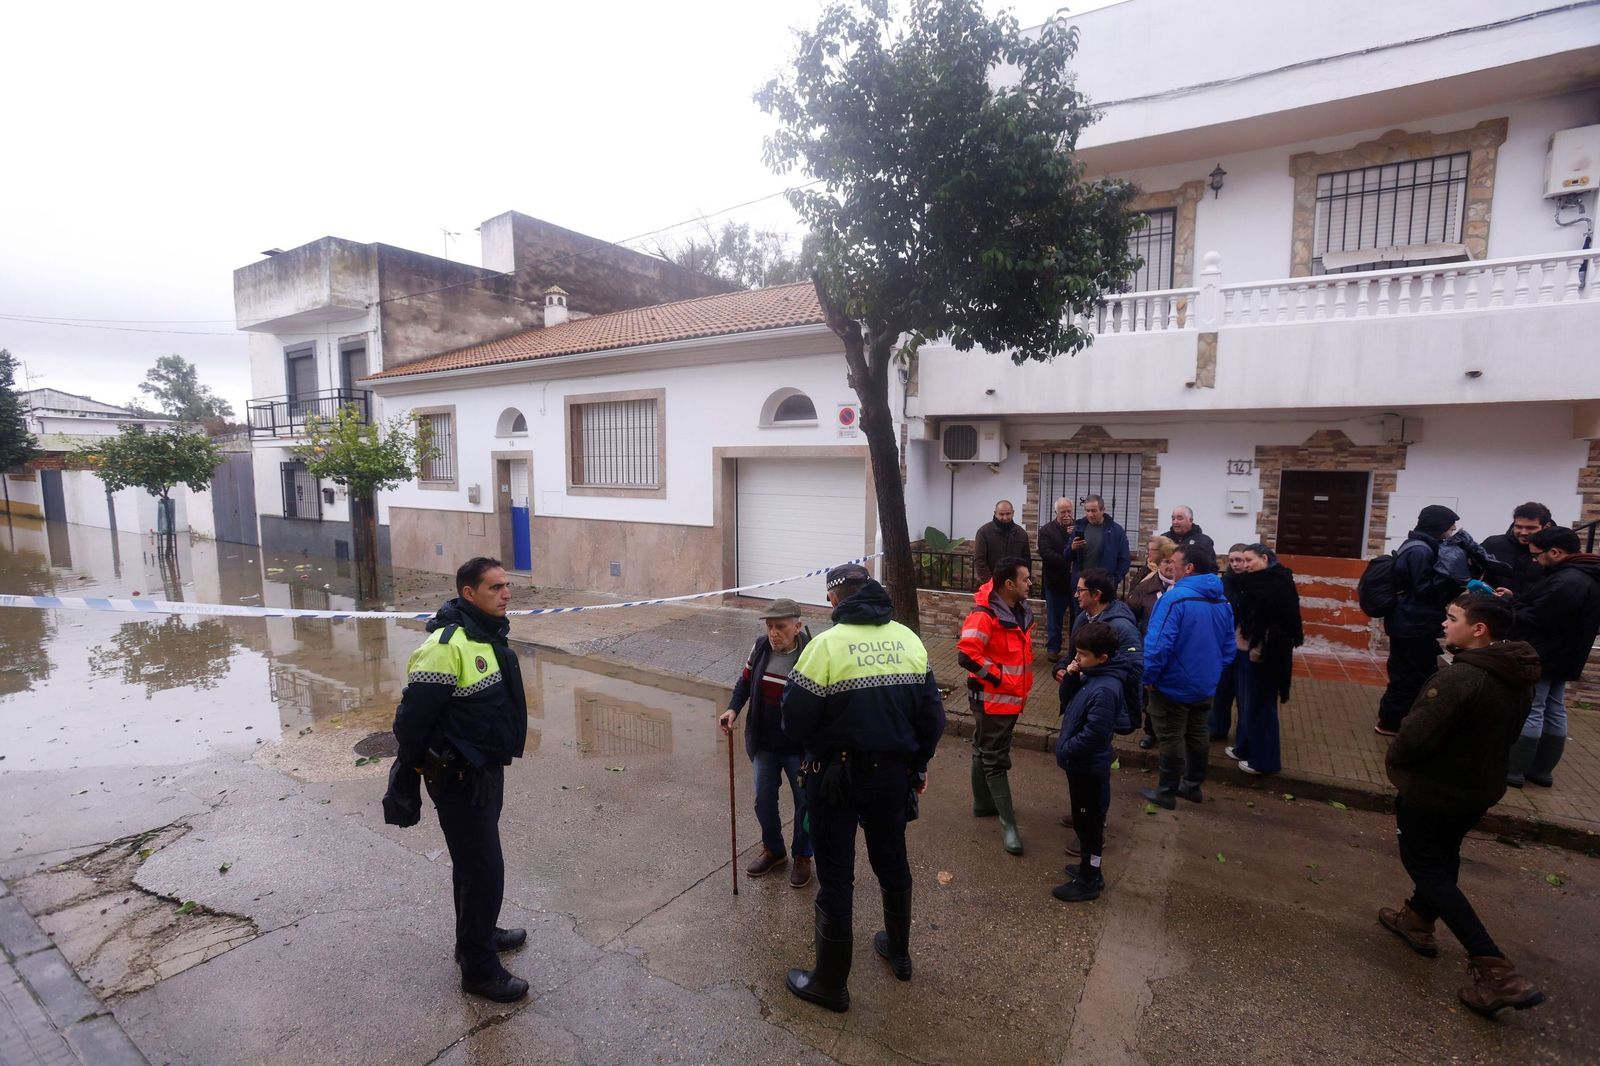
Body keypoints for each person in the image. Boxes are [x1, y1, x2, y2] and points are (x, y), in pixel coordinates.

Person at [780, 564, 945, 1013]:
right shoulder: (909, 639)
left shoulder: (824, 646)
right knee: (892, 859)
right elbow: (932, 716)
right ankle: (899, 952)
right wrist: (919, 765)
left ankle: (830, 984)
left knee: (836, 874)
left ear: (835, 599)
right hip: (893, 775)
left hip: (836, 778)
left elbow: (794, 721)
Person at [1379, 594, 1545, 1018]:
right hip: (1478, 787)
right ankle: (1417, 920)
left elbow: (1415, 735)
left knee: (1426, 865)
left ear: (1478, 629)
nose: (1444, 622)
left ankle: (1495, 970)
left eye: (1452, 618)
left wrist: (1396, 758)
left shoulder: (1460, 679)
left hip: (1436, 789)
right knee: (1443, 855)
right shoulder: (1517, 672)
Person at [392, 557, 530, 1003]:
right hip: (459, 778)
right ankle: (479, 968)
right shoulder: (444, 645)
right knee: (484, 871)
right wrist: (409, 774)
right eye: (495, 588)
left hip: (485, 771)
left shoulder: (484, 635)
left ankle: (478, 932)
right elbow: (412, 722)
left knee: (474, 868)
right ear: (469, 593)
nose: (506, 594)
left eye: (507, 585)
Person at [720, 598, 814, 888]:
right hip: (764, 743)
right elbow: (745, 683)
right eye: (770, 626)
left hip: (798, 747)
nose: (774, 632)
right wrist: (733, 709)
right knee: (763, 800)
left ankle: (802, 856)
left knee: (805, 804)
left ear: (797, 626)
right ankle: (774, 849)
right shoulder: (761, 647)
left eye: (781, 627)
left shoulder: (812, 654)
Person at [1502, 527, 1600, 788]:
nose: (1534, 560)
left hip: (1543, 654)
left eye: (1537, 555)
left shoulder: (1567, 581)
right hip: (1568, 655)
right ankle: (1540, 770)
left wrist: (1509, 611)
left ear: (1555, 552)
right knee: (1555, 708)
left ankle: (1514, 769)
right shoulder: (1585, 575)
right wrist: (1517, 599)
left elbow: (1538, 617)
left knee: (1532, 708)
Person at [1054, 568, 1142, 858]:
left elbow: (1133, 669)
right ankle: (1082, 815)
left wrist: (1097, 678)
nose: (1076, 594)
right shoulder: (1084, 617)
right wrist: (1066, 669)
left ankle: (1094, 828)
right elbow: (1073, 654)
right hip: (1084, 698)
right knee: (1081, 777)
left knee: (1095, 770)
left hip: (1101, 704)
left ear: (1096, 595)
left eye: (1080, 590)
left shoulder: (1121, 627)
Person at [1139, 542, 1235, 810]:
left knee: (1170, 736)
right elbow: (1228, 645)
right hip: (1205, 684)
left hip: (1172, 684)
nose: (1171, 565)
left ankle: (1166, 792)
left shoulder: (1174, 598)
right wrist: (1213, 671)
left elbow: (1158, 645)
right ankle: (1192, 786)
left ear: (1189, 567)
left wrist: (1148, 677)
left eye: (1175, 562)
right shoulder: (1222, 599)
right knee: (1197, 733)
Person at [1052, 622, 1136, 904]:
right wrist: (1073, 676)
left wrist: (1066, 750)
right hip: (1080, 766)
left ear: (1103, 658)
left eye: (1082, 655)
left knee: (1090, 826)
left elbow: (1095, 735)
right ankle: (1088, 868)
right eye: (1076, 654)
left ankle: (1090, 879)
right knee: (1082, 820)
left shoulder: (1106, 688)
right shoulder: (1091, 676)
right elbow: (1066, 700)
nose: (1077, 660)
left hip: (1088, 768)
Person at [957, 557, 1034, 855]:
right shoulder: (984, 615)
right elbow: (967, 655)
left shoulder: (1017, 609)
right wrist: (1000, 679)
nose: (1030, 583)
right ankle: (1008, 824)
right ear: (1009, 584)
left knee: (983, 747)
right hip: (995, 700)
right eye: (1026, 579)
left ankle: (982, 804)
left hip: (1008, 698)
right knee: (995, 758)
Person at [1375, 505, 1465, 737]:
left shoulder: (1421, 546)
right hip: (1412, 624)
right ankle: (1391, 723)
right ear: (1437, 526)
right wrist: (1454, 581)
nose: (1452, 530)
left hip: (1412, 622)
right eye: (1449, 526)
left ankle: (1395, 719)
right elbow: (1422, 588)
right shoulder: (1420, 551)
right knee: (1409, 675)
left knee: (1414, 672)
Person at [1225, 544, 1303, 776]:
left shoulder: (1275, 584)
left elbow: (1277, 625)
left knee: (1261, 706)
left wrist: (1258, 650)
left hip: (1263, 656)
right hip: (1246, 649)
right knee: (1248, 703)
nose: (1246, 565)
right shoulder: (1257, 581)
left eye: (1250, 560)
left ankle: (1265, 761)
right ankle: (1245, 748)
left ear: (1265, 558)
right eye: (1244, 560)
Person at [1129, 537, 1179, 750]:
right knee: (1150, 693)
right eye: (1166, 561)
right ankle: (1151, 732)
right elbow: (1131, 615)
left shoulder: (1184, 588)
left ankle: (1173, 733)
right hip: (1150, 648)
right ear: (1158, 563)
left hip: (1177, 652)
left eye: (1173, 562)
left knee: (1172, 695)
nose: (1170, 566)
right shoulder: (1145, 587)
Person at [1209, 545, 1251, 743]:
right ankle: (1217, 728)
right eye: (1232, 560)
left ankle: (1244, 733)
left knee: (1243, 694)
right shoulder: (1224, 583)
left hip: (1246, 645)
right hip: (1225, 643)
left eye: (1239, 560)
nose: (1235, 564)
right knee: (1222, 690)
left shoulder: (1254, 583)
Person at [1482, 502, 1553, 598]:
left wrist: (1514, 597)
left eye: (1531, 528)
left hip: (1534, 610)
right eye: (1519, 527)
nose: (1523, 532)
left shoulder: (1555, 551)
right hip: (1490, 607)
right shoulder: (1493, 544)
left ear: (1547, 527)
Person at [1036, 497, 1076, 662]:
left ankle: (1074, 651)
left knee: (1076, 619)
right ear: (1056, 512)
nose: (1066, 515)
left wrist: (1073, 534)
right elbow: (1046, 553)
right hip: (1055, 582)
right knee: (1055, 619)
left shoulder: (1079, 527)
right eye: (1063, 512)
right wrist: (1067, 560)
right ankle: (1053, 649)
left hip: (1075, 584)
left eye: (1069, 511)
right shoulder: (1046, 530)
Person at [1069, 496, 1131, 602]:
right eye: (1087, 511)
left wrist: (1112, 580)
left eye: (1094, 511)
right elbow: (1066, 555)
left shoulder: (1116, 530)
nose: (1090, 514)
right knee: (1080, 618)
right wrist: (1072, 548)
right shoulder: (1079, 527)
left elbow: (1124, 559)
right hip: (1081, 587)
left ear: (1103, 510)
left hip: (1103, 588)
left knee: (1103, 618)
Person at [973, 500, 1030, 589]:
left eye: (1008, 514)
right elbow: (980, 561)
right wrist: (992, 583)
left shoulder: (1021, 534)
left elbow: (1026, 561)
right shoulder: (984, 532)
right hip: (991, 587)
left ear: (1013, 513)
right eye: (1001, 514)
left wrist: (1022, 581)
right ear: (995, 513)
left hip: (1015, 587)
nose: (1005, 517)